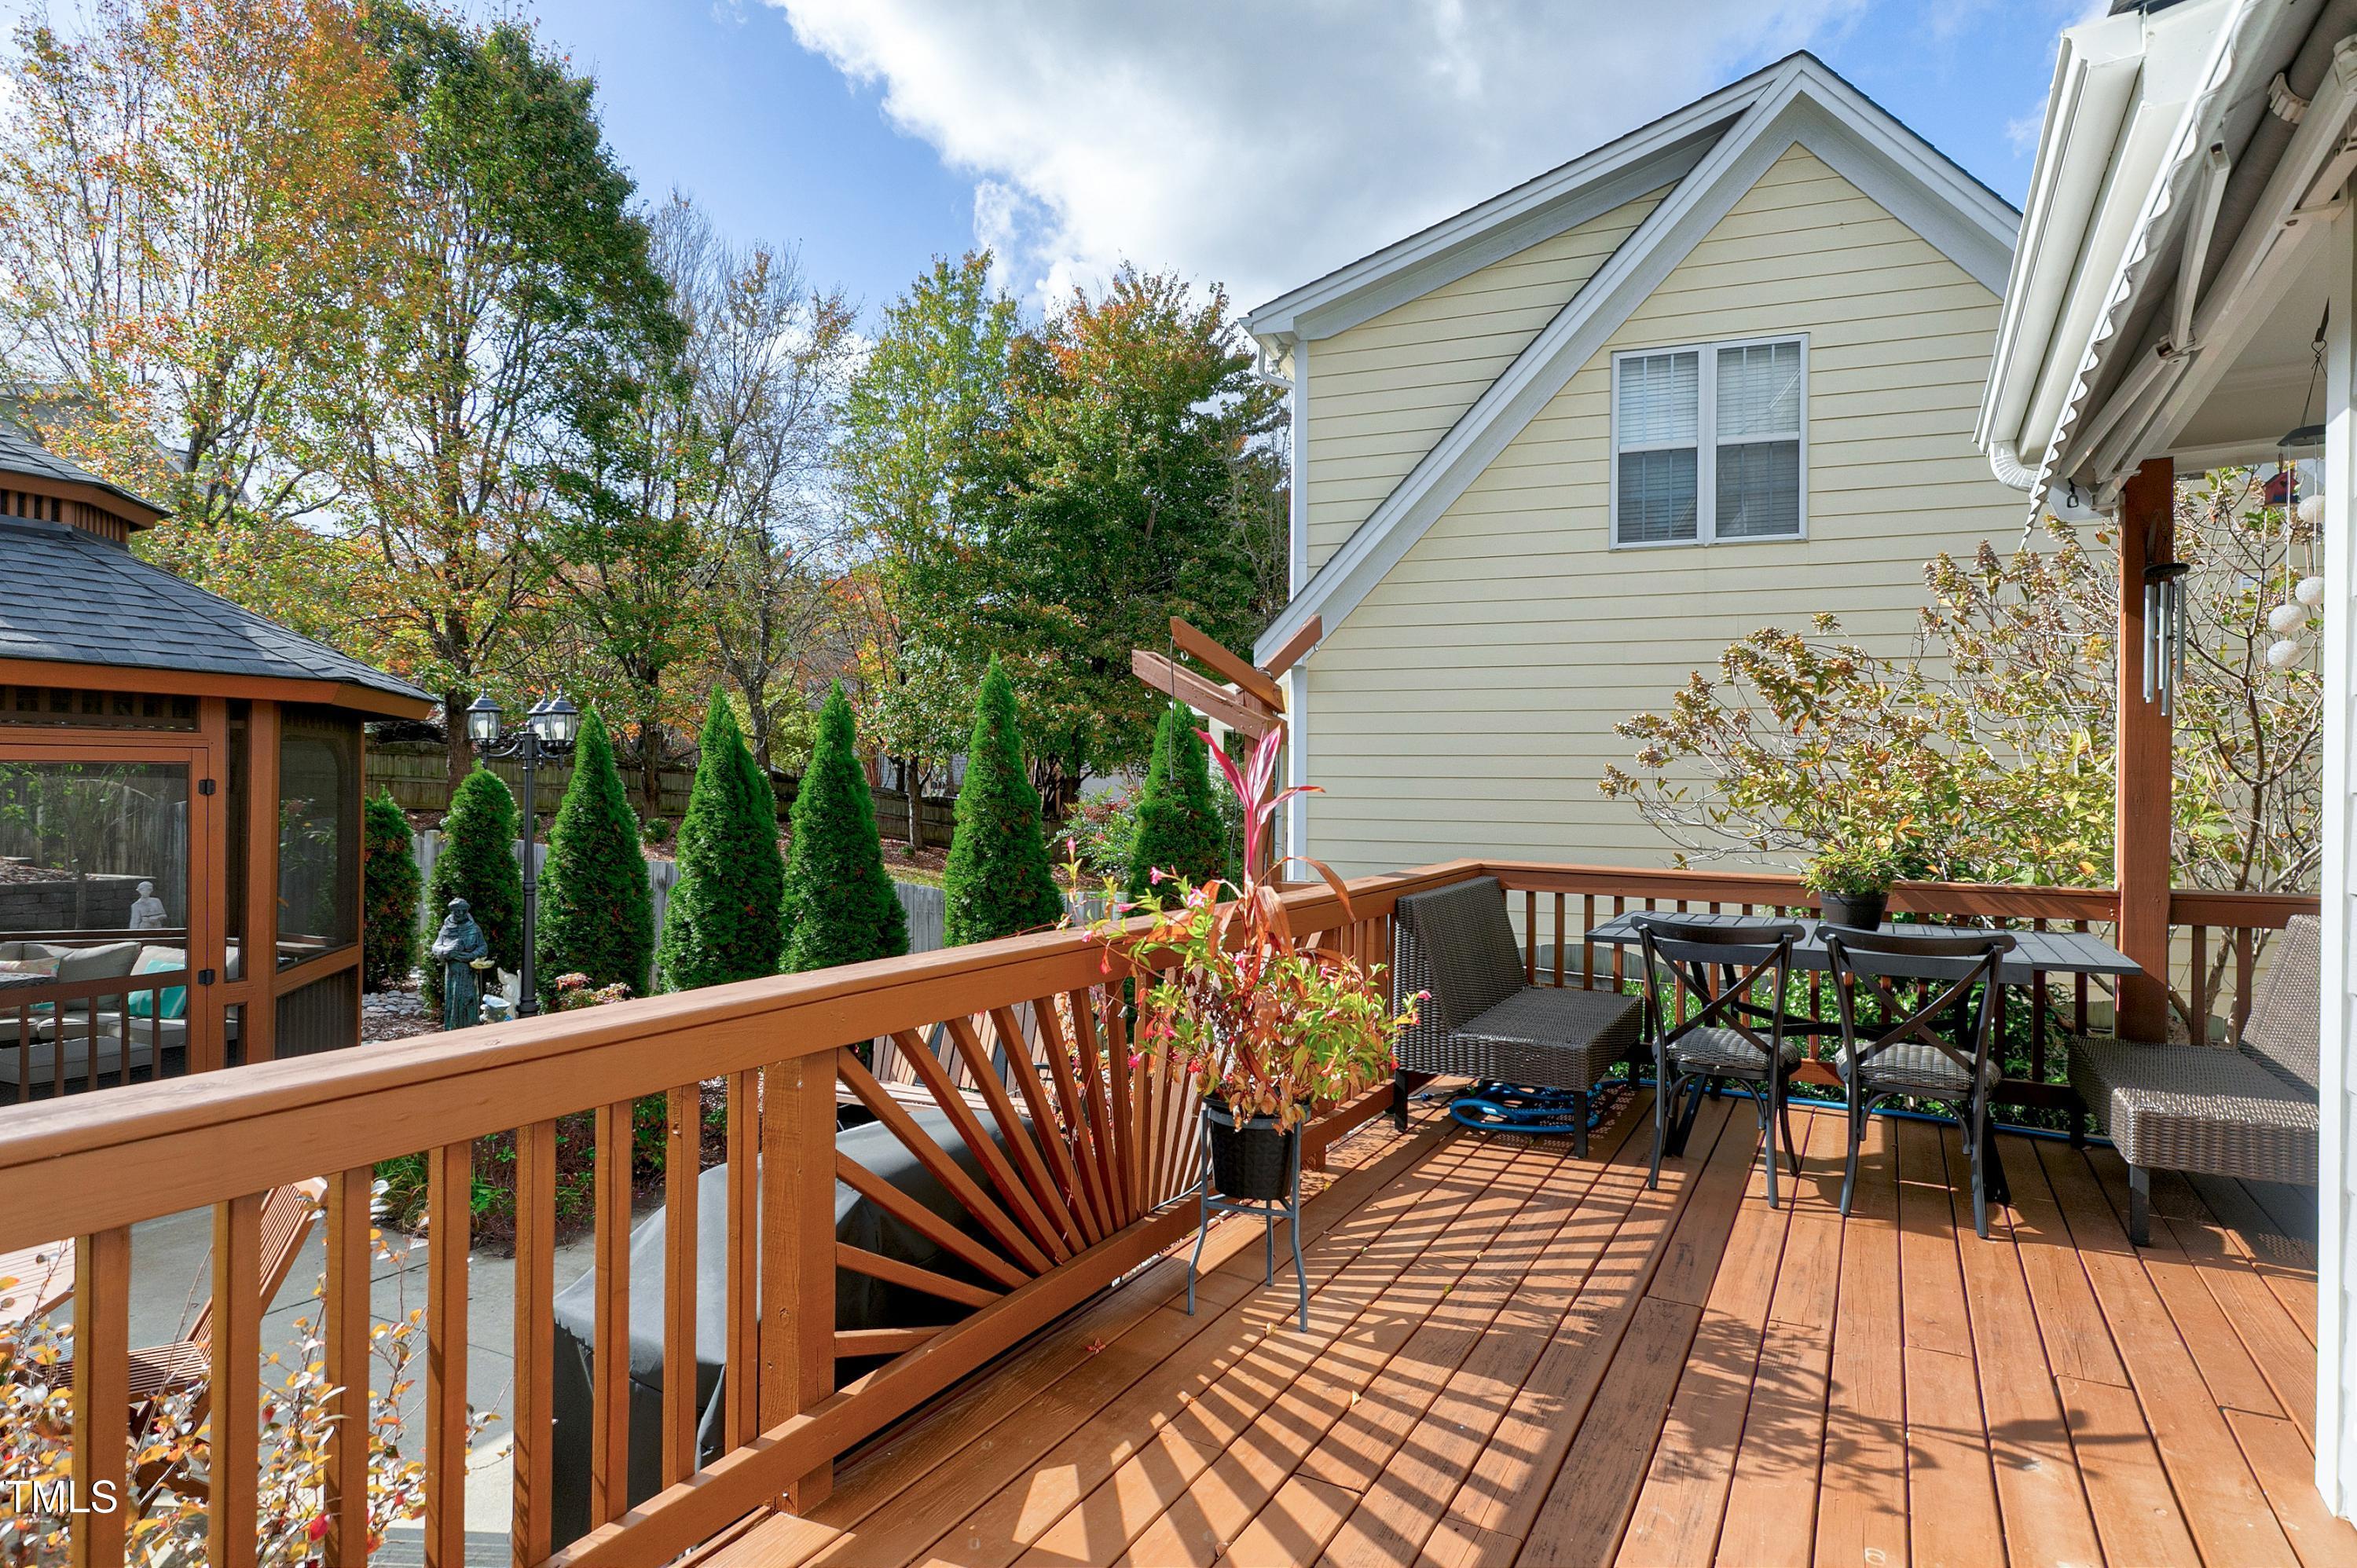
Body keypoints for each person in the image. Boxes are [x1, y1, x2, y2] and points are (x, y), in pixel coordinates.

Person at [429, 897, 490, 1031]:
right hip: (452, 972)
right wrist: (448, 950)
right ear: (452, 912)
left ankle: (470, 1028)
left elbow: (483, 948)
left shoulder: (474, 928)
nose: (460, 914)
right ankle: (452, 1029)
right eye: (457, 911)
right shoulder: (446, 929)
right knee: (453, 1000)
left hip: (469, 971)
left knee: (469, 999)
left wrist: (470, 956)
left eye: (463, 911)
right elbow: (436, 947)